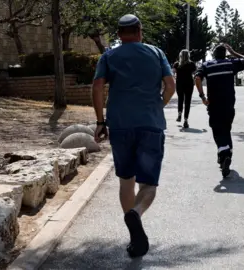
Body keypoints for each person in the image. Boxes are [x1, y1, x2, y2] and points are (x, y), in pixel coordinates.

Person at [91, 14, 175, 258]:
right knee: (148, 184)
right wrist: (160, 103)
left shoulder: (108, 56)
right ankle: (135, 214)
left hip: (120, 125)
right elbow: (170, 85)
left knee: (126, 180)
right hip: (151, 124)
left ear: (119, 34)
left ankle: (133, 237)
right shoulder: (156, 53)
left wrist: (100, 121)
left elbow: (97, 86)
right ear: (140, 31)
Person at [194, 44, 244, 177]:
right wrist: (233, 51)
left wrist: (202, 96)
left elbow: (197, 78)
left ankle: (224, 153)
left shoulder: (207, 65)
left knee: (217, 129)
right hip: (229, 103)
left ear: (214, 54)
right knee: (226, 128)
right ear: (225, 54)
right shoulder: (231, 63)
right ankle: (225, 156)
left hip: (214, 103)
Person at [173, 50, 197, 128]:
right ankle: (186, 120)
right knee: (187, 101)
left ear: (180, 55)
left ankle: (179, 114)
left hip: (179, 83)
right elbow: (195, 73)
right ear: (188, 56)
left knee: (180, 98)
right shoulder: (192, 64)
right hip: (189, 83)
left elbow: (174, 73)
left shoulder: (176, 64)